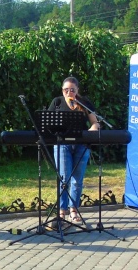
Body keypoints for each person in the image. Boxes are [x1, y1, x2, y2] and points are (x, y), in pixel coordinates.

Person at [48, 76, 99, 222]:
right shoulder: (57, 102)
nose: (69, 93)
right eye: (66, 90)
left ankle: (74, 210)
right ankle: (62, 211)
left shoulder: (84, 103)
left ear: (77, 90)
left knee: (78, 179)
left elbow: (95, 123)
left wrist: (92, 130)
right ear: (62, 90)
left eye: (72, 90)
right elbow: (48, 124)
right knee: (64, 177)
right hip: (62, 144)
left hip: (81, 144)